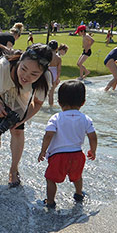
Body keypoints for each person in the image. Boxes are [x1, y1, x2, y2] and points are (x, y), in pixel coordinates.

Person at [0, 43, 52, 187]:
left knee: (18, 131)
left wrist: (23, 119)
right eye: (23, 69)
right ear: (20, 61)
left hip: (20, 100)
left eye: (34, 74)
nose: (26, 76)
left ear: (42, 73)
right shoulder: (2, 67)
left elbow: (37, 103)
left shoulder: (45, 78)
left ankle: (14, 169)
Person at [38, 80, 97, 208]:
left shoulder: (56, 118)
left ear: (59, 102)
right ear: (83, 102)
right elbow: (92, 137)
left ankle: (50, 201)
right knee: (77, 176)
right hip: (77, 155)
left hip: (58, 156)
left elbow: (48, 135)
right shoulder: (85, 118)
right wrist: (93, 150)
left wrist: (43, 151)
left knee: (51, 179)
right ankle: (78, 193)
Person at [47, 41, 63, 106]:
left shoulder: (47, 56)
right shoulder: (58, 58)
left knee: (42, 90)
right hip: (54, 73)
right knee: (51, 93)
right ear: (57, 48)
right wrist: (57, 78)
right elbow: (59, 70)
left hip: (47, 72)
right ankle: (51, 105)